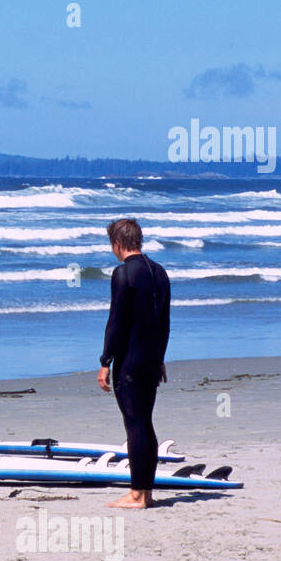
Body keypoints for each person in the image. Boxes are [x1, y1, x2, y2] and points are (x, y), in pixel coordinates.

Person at [97, 218, 171, 509]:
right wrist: (160, 358)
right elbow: (164, 323)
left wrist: (105, 361)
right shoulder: (159, 273)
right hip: (152, 358)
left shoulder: (123, 273)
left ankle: (137, 494)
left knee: (135, 423)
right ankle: (146, 492)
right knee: (145, 422)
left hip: (130, 362)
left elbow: (116, 322)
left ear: (117, 243)